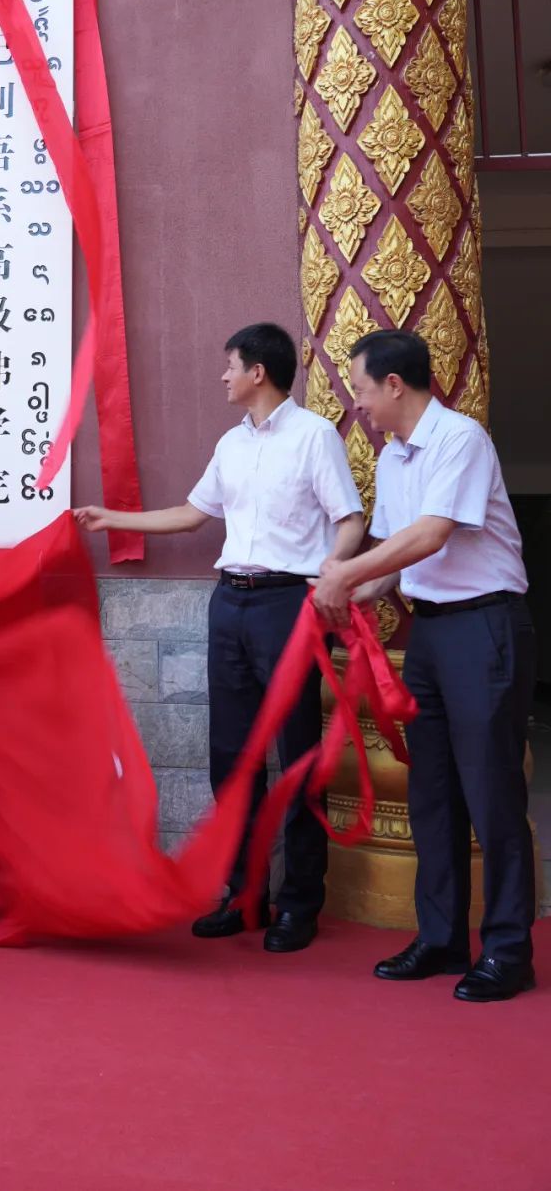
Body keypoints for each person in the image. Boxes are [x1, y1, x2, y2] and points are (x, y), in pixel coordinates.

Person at [76, 323, 365, 952]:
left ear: (259, 371)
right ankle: (242, 895)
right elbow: (191, 515)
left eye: (230, 365)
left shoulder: (314, 437)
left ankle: (299, 904)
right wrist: (111, 517)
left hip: (291, 603)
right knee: (231, 759)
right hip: (229, 604)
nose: (223, 376)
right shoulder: (231, 445)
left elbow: (350, 518)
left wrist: (331, 580)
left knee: (297, 757)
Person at [313, 330, 535, 1002]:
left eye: (360, 389)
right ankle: (440, 938)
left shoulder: (459, 440)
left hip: (485, 626)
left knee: (492, 794)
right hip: (434, 634)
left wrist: (347, 569)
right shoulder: (392, 461)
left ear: (395, 386)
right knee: (432, 793)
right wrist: (346, 593)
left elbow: (432, 532)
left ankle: (507, 950)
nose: (358, 404)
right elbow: (402, 557)